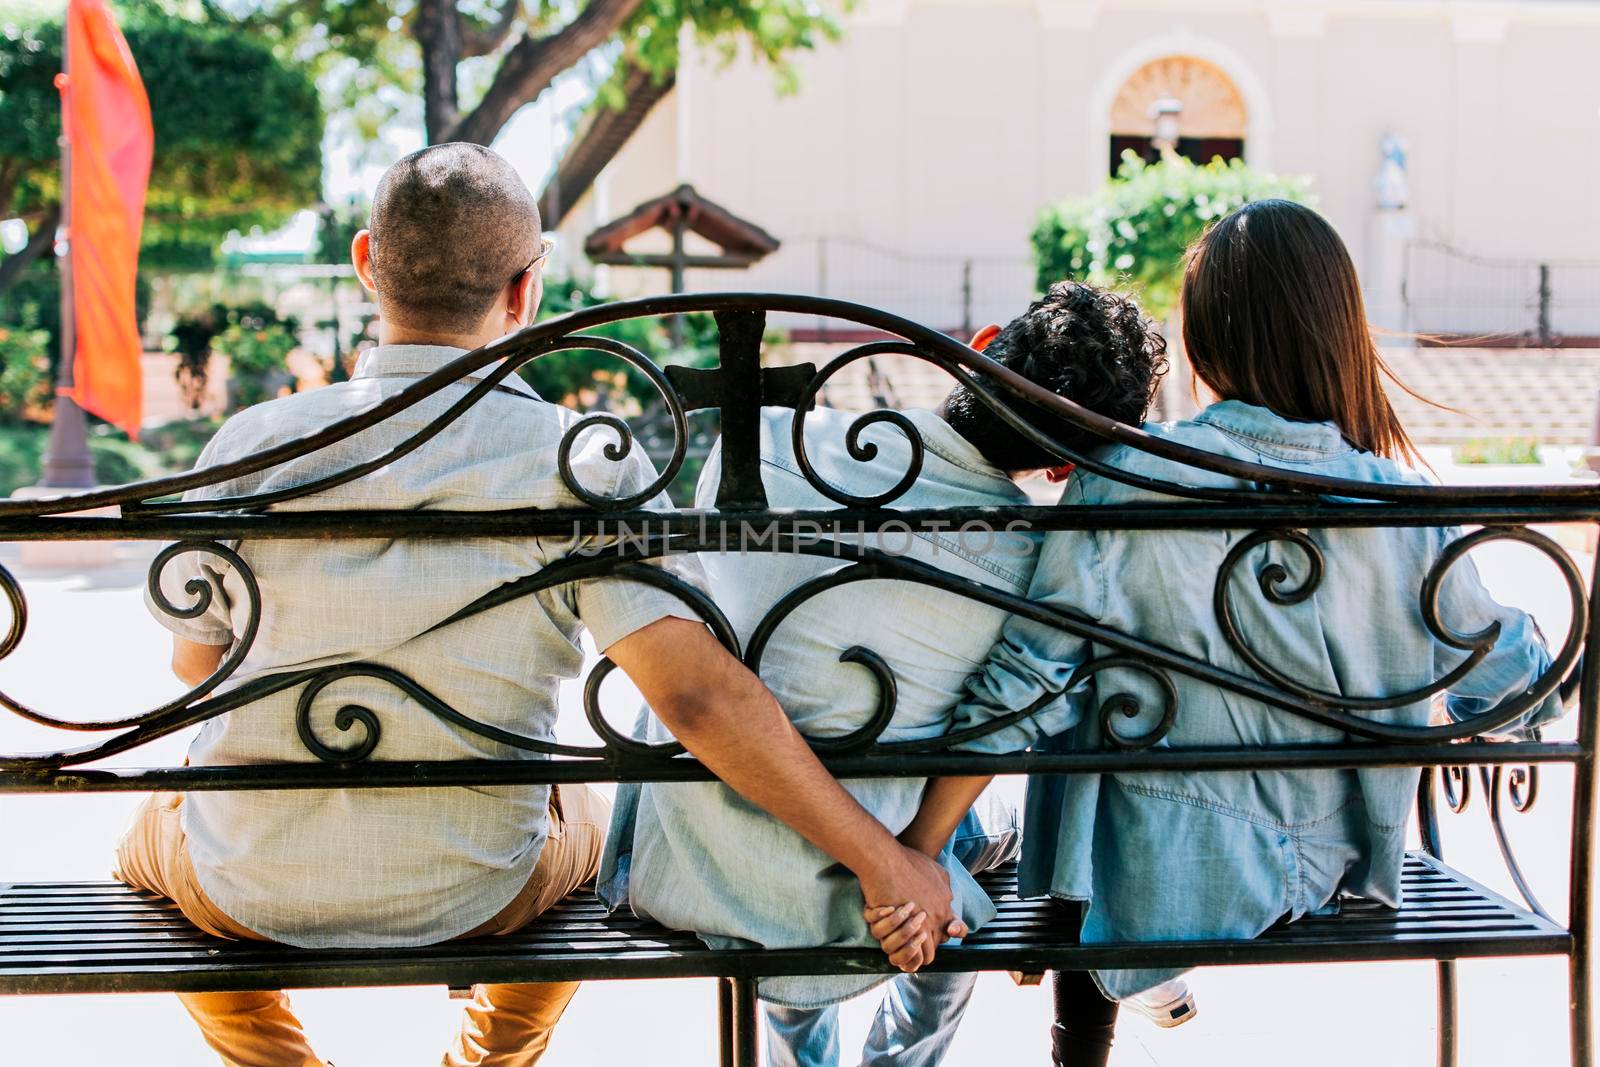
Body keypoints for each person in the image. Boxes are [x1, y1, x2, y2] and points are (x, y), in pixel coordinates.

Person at [114, 143, 957, 1067]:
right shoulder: (579, 458)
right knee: (592, 840)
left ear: (365, 262)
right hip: (478, 890)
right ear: (526, 291)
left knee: (146, 842)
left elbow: (196, 670)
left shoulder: (252, 442)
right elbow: (698, 701)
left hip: (251, 891)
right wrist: (888, 858)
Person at [877, 199, 1570, 1066]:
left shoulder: (1125, 479)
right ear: (1338, 335)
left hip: (1135, 876)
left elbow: (1029, 681)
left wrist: (914, 855)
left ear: (1201, 342)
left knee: (1093, 689)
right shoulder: (1398, 505)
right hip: (1324, 865)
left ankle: (1075, 1049)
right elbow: (1508, 683)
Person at [600, 281, 1168, 1067]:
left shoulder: (761, 442)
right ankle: (901, 1056)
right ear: (1068, 465)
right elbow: (1000, 721)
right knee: (984, 823)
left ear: (984, 342)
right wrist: (914, 861)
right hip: (865, 877)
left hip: (692, 857)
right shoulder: (1031, 559)